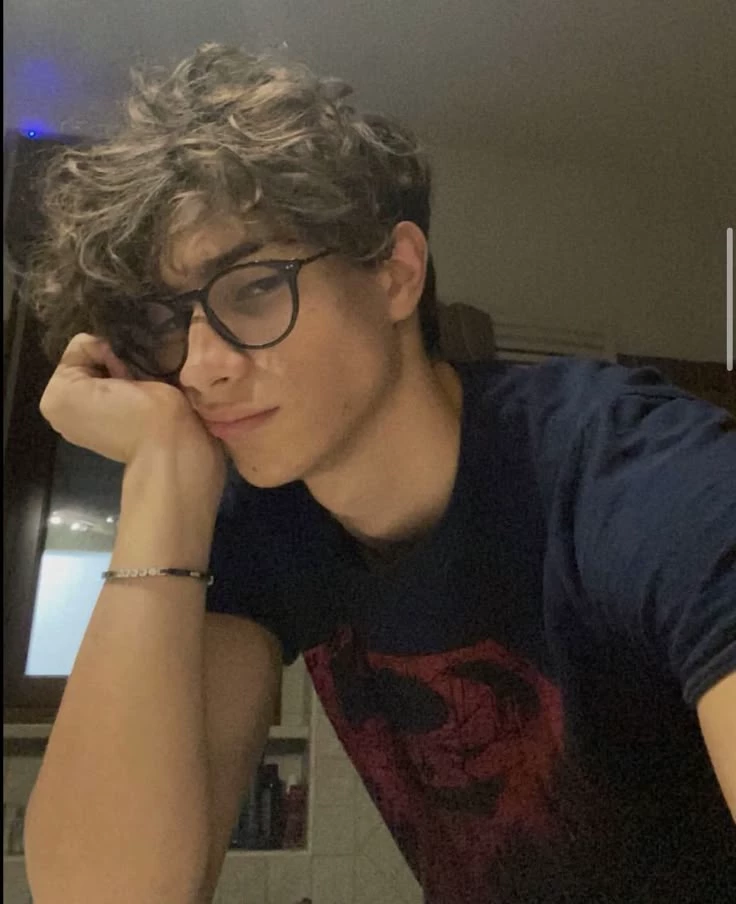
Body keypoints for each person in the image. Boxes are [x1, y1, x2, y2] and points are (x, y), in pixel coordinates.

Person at [20, 42, 735, 904]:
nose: (200, 367)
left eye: (254, 287)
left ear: (395, 274)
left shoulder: (637, 474)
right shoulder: (269, 523)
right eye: (168, 321)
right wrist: (162, 474)